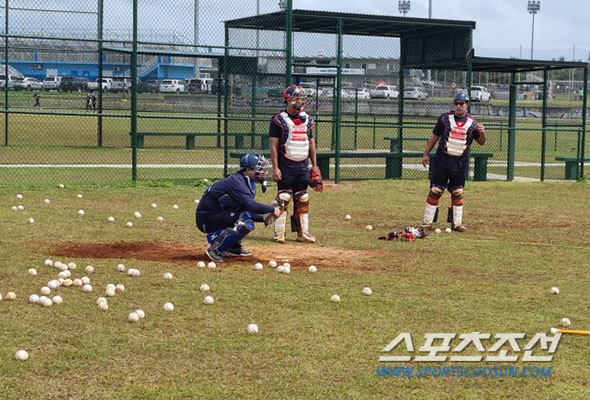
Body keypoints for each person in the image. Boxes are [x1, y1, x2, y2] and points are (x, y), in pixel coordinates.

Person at [195, 153, 281, 263]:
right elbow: (251, 206)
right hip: (206, 218)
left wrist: (263, 217)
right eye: (259, 169)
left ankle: (231, 246)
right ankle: (215, 249)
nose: (263, 172)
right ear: (248, 169)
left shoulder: (246, 182)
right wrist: (271, 209)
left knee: (244, 216)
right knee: (244, 220)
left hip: (217, 214)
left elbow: (245, 208)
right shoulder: (237, 182)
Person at [420, 92, 486, 232]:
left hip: (459, 163)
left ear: (467, 105)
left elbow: (481, 142)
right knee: (436, 190)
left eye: (461, 103)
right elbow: (434, 136)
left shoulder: (473, 124)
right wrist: (426, 153)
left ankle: (456, 223)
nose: (458, 106)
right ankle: (427, 222)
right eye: (456, 103)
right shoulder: (445, 119)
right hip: (442, 160)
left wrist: (483, 132)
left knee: (457, 191)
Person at [268, 84, 323, 244]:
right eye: (296, 99)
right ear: (288, 100)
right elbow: (273, 145)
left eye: (302, 99)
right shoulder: (279, 120)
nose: (300, 103)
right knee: (283, 198)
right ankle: (279, 233)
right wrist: (275, 167)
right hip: (286, 165)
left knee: (303, 197)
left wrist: (315, 165)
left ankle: (302, 233)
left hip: (302, 166)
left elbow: (311, 142)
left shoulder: (308, 120)